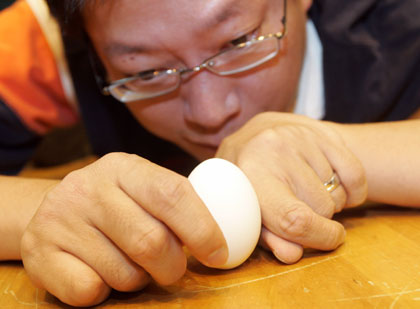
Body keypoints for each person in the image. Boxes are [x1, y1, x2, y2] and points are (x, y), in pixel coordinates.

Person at [0, 0, 419, 306]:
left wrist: (345, 150)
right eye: (145, 73)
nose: (210, 114)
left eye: (237, 40)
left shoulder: (400, 21)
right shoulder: (54, 35)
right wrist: (50, 210)